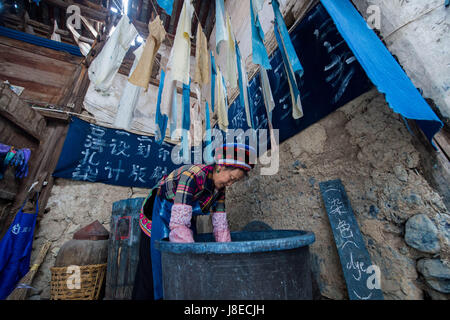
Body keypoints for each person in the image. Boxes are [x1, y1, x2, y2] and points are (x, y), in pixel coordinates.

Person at [132, 143, 256, 300]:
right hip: (159, 212)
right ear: (220, 167)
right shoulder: (192, 176)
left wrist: (226, 255)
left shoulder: (220, 190)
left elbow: (220, 224)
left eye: (235, 181)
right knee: (153, 267)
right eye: (231, 178)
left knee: (182, 269)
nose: (230, 184)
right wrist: (192, 258)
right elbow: (179, 225)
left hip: (182, 216)